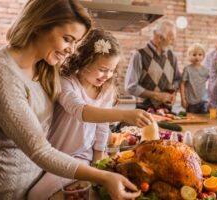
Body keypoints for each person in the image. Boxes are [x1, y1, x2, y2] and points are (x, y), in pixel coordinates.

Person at [0, 0, 144, 199]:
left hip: (37, 179)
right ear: (39, 25)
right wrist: (103, 177)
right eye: (67, 39)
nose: (72, 50)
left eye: (76, 42)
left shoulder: (45, 67)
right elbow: (40, 150)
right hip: (4, 189)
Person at [28, 29, 150, 199]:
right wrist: (122, 115)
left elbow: (101, 126)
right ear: (84, 62)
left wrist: (99, 160)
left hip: (83, 157)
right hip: (57, 156)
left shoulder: (106, 90)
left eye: (112, 70)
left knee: (38, 195)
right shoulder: (66, 82)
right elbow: (80, 111)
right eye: (102, 69)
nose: (107, 75)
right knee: (35, 195)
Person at [125, 19, 181, 111]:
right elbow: (131, 87)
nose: (173, 43)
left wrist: (172, 93)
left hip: (166, 112)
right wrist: (155, 95)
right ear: (159, 38)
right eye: (171, 39)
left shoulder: (172, 56)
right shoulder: (139, 55)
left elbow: (177, 80)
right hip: (144, 113)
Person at [180, 43, 209, 113]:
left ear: (203, 56)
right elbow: (182, 84)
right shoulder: (187, 69)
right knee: (191, 120)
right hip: (190, 102)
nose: (197, 57)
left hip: (203, 101)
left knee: (203, 120)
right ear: (189, 56)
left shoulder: (206, 70)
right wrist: (183, 99)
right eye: (194, 55)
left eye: (200, 54)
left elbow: (212, 82)